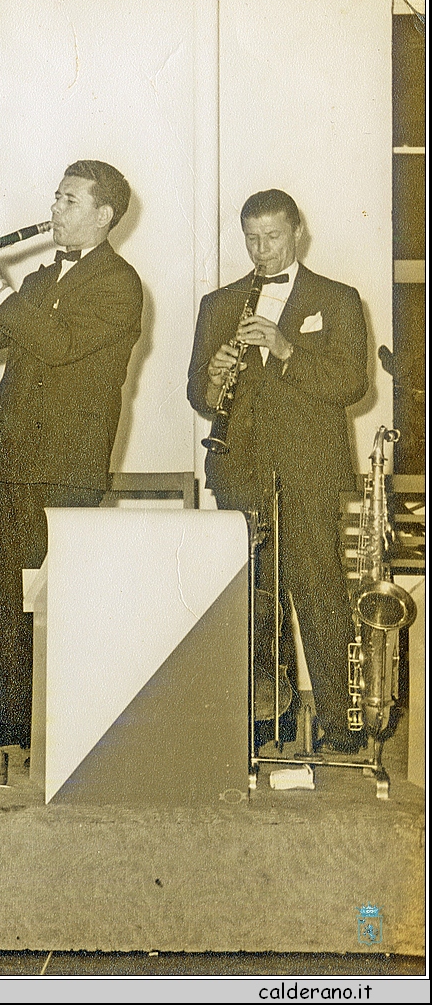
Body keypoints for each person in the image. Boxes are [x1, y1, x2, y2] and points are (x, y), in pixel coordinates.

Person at [0, 160, 143, 749]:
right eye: (55, 197)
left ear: (104, 215)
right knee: (6, 593)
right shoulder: (46, 279)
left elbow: (55, 345)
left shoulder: (120, 284)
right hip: (16, 457)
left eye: (69, 201)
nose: (54, 211)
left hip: (66, 466)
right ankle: (13, 718)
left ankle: (59, 723)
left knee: (50, 600)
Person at [188, 189, 367, 753]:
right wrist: (216, 378)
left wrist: (287, 349)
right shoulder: (220, 304)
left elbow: (350, 384)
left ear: (297, 234)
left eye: (272, 238)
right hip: (239, 466)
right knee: (254, 598)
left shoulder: (336, 299)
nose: (261, 250)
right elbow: (198, 393)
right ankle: (271, 718)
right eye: (252, 239)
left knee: (317, 592)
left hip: (308, 470)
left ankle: (342, 725)